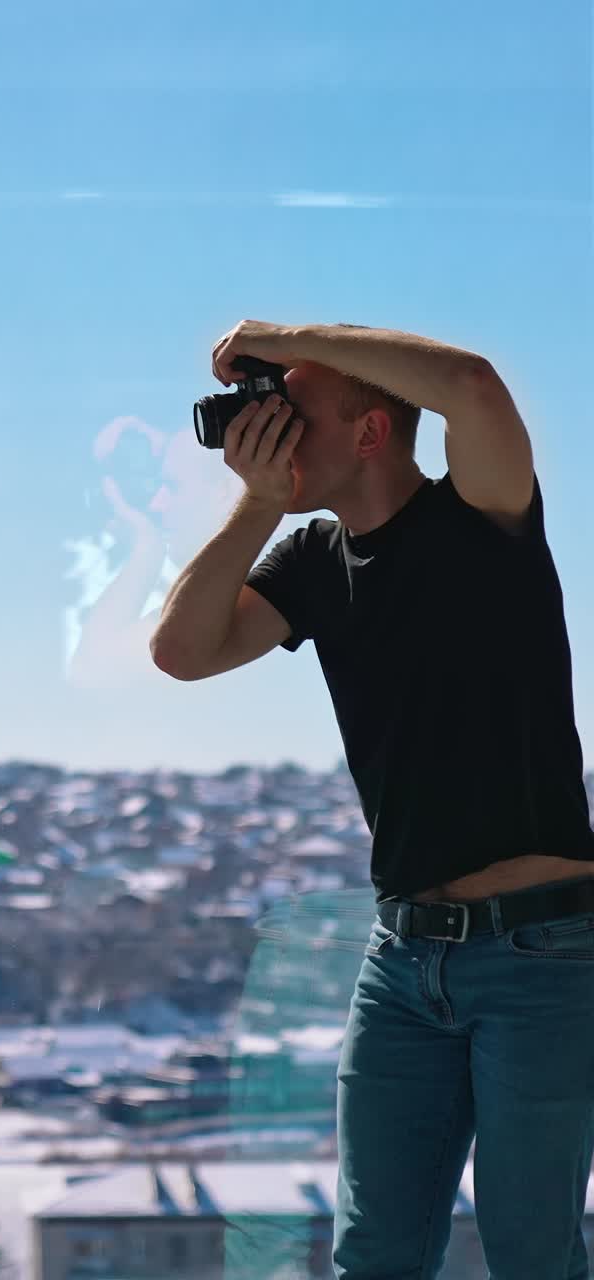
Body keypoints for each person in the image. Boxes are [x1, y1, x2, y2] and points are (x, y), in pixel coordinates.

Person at [151, 319, 594, 1279]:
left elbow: (473, 383)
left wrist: (272, 335)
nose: (269, 433)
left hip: (544, 958)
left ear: (369, 433)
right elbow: (181, 652)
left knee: (533, 1258)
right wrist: (257, 507)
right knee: (375, 1258)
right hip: (402, 962)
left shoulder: (485, 516)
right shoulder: (310, 561)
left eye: (292, 415)